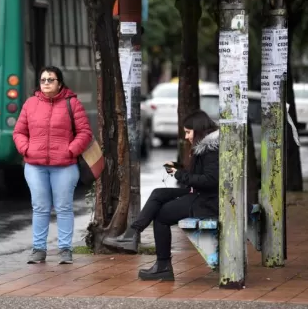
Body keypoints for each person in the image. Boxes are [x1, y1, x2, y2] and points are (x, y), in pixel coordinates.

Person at [103, 110, 219, 281]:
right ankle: (133, 234)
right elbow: (201, 174)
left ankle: (162, 265)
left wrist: (179, 174)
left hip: (208, 200)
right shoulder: (205, 147)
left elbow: (210, 180)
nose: (186, 136)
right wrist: (179, 167)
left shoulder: (210, 150)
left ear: (199, 129)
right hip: (202, 195)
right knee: (158, 193)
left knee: (162, 215)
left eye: (188, 132)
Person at [13, 66, 93, 265]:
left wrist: (70, 151)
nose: (46, 83)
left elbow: (85, 133)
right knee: (40, 207)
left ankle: (65, 250)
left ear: (59, 83)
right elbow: (19, 132)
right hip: (35, 165)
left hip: (65, 165)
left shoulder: (72, 104)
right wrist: (26, 149)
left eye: (51, 79)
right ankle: (39, 249)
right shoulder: (30, 104)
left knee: (64, 207)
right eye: (43, 80)